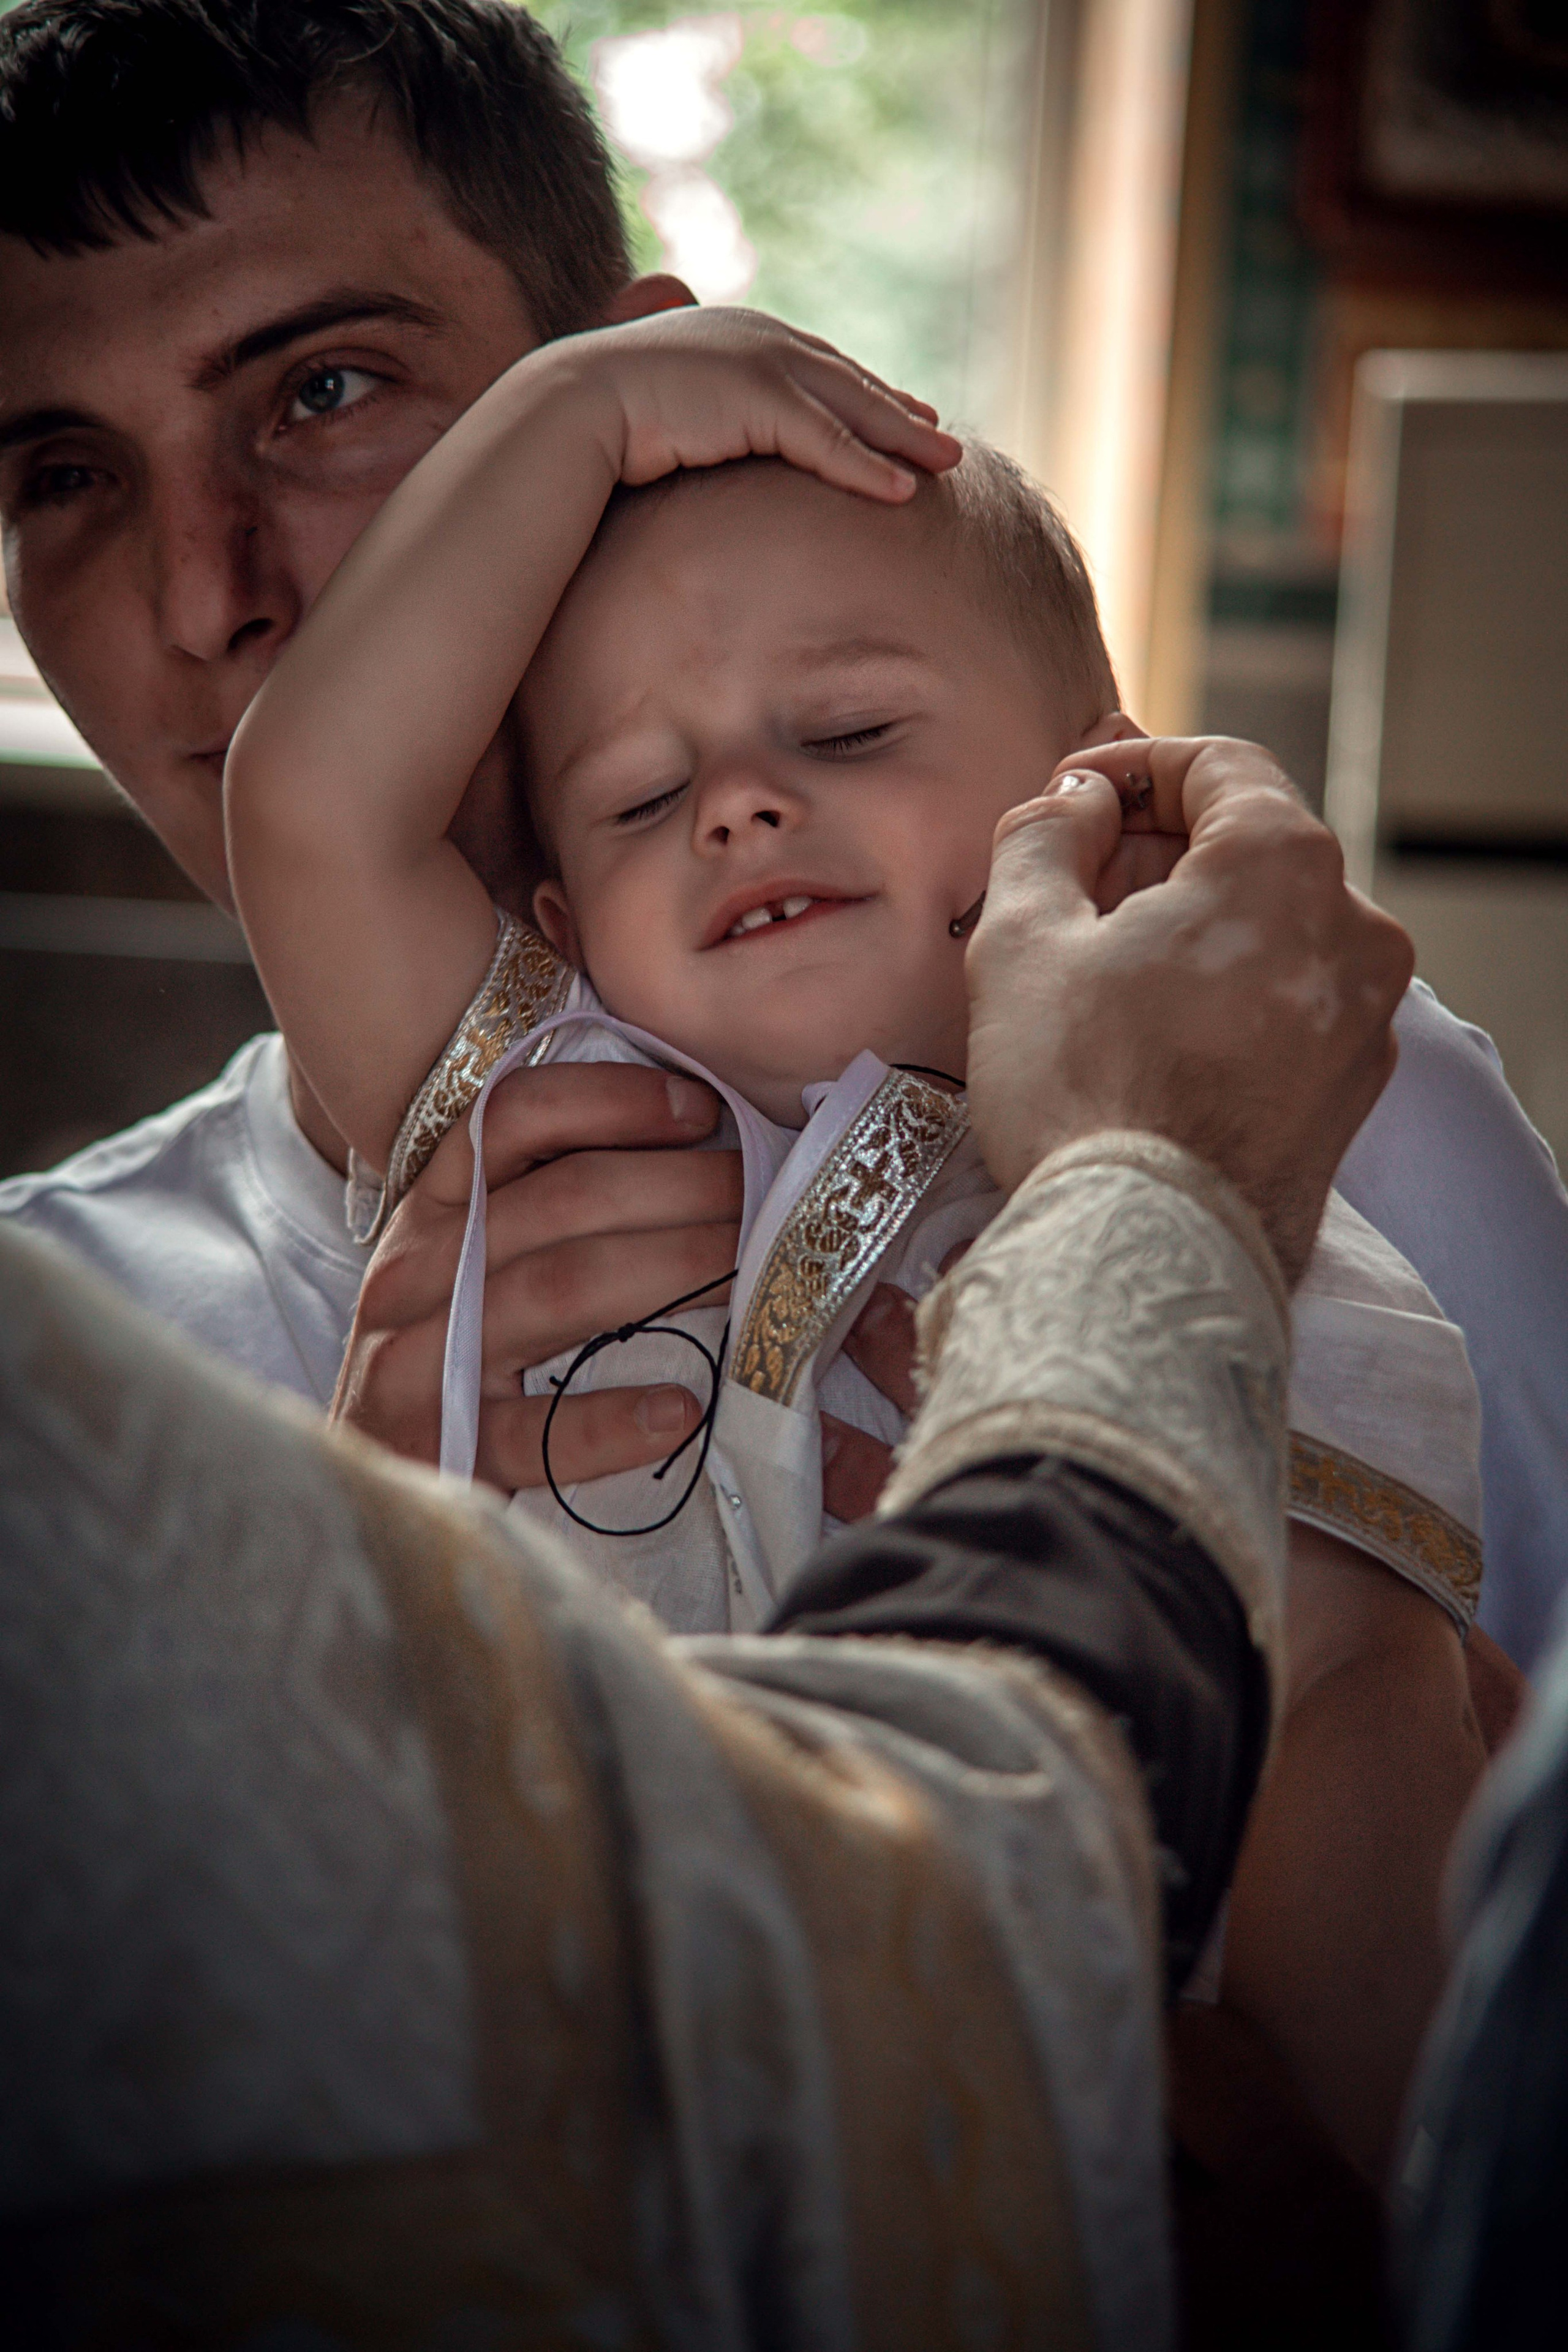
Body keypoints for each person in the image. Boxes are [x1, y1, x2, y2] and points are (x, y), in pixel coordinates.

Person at [0, 0, 1564, 1674]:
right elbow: (308, 806)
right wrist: (349, 1622)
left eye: (322, 389)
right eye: (61, 478)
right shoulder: (73, 1359)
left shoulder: (1314, 1094)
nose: (199, 597)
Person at [0, 738, 1415, 2347]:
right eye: (636, 795)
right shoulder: (558, 1095)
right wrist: (1150, 1201)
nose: (738, 806)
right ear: (566, 910)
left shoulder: (1326, 1090)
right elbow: (913, 1989)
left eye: (855, 732)